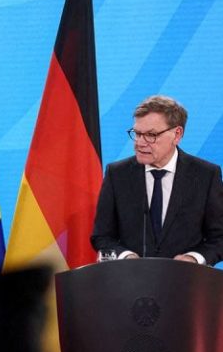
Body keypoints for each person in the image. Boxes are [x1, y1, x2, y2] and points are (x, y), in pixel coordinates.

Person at [91, 95, 223, 265]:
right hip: (131, 279)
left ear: (177, 134)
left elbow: (219, 238)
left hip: (186, 279)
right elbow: (102, 236)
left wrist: (193, 258)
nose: (140, 143)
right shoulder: (117, 174)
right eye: (137, 133)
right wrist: (126, 257)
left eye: (151, 135)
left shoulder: (206, 175)